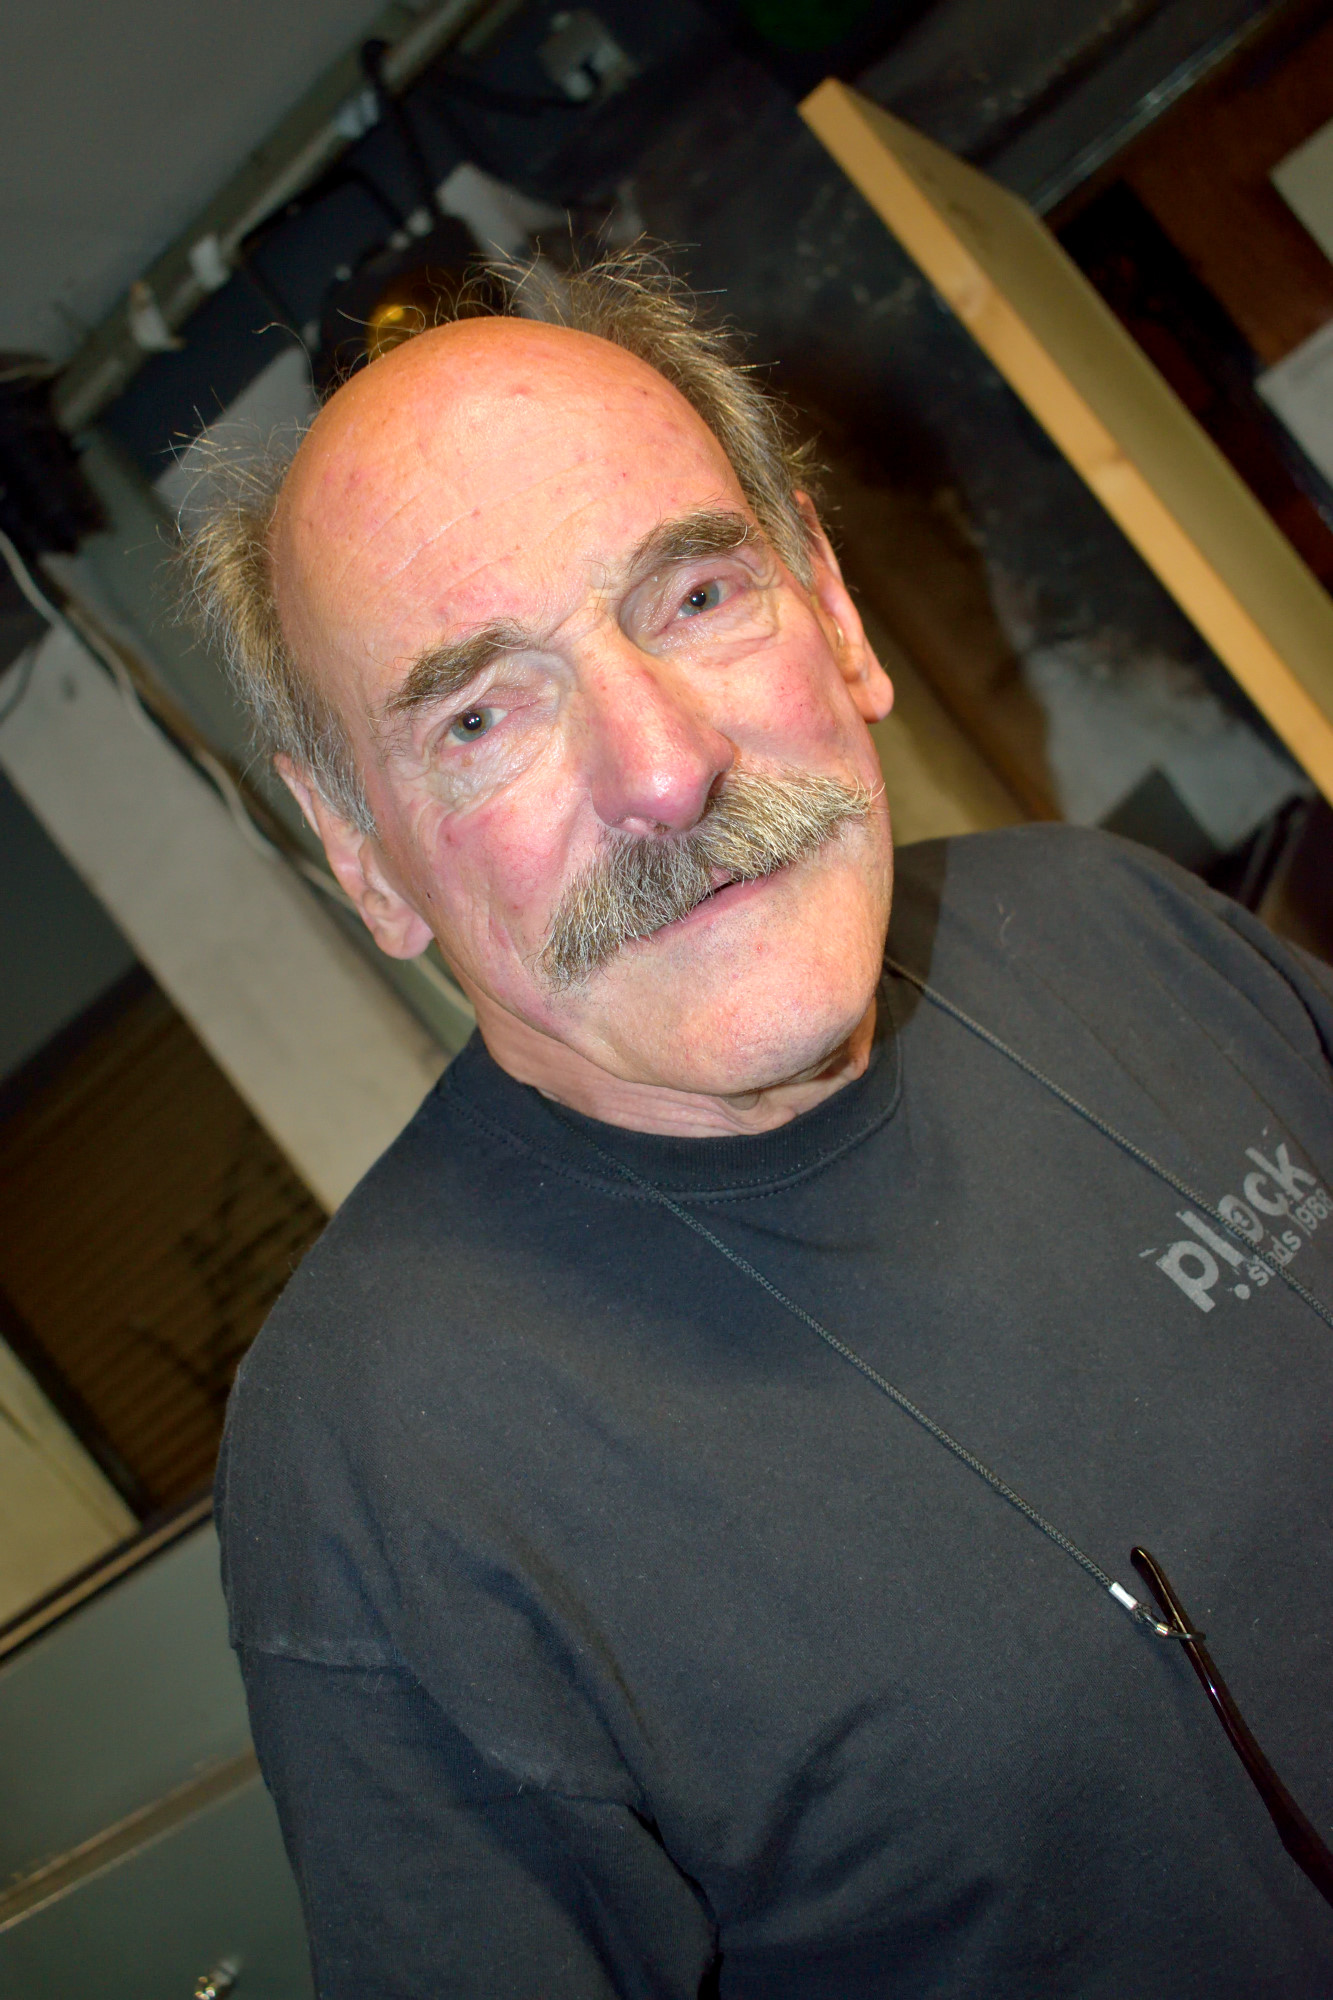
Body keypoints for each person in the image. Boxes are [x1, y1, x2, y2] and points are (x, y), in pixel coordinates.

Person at [188, 254, 1333, 1997]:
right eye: (481, 714)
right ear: (363, 854)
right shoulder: (378, 1458)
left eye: (698, 595)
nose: (663, 769)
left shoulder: (1117, 922)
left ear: (833, 607)